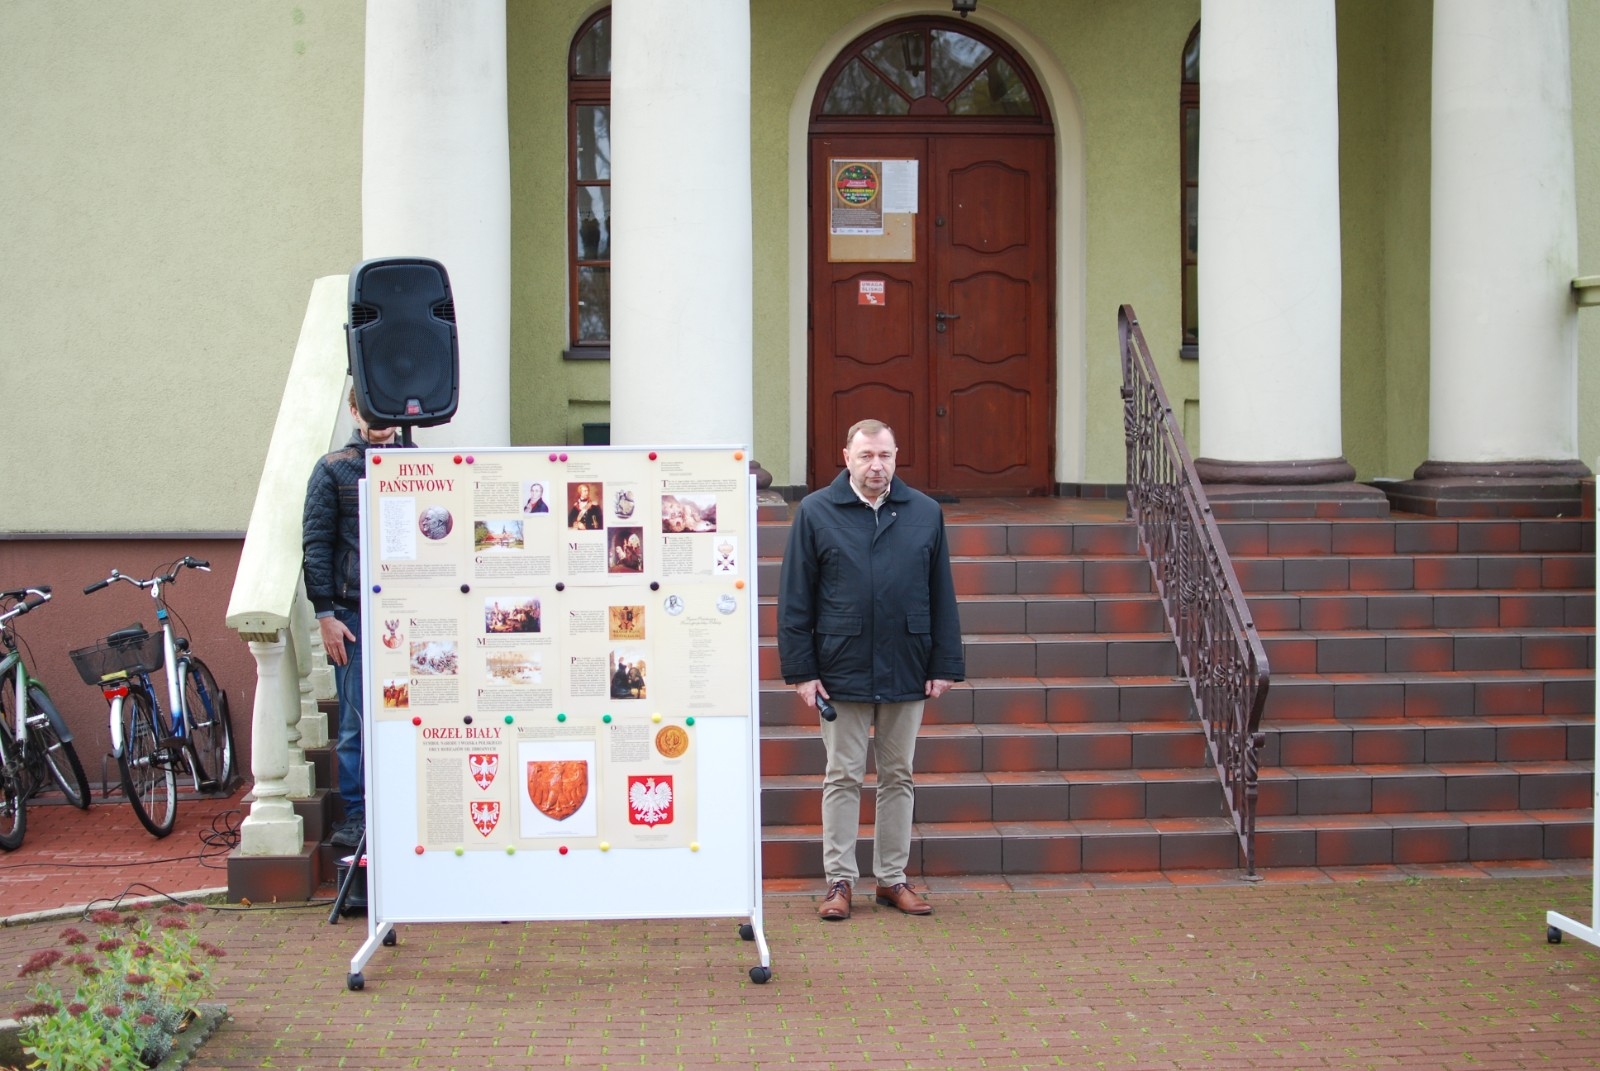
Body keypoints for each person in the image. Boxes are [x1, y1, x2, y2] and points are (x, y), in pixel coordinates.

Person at [778, 418, 964, 921]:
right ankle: (839, 881)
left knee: (898, 775)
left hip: (908, 662)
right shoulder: (816, 511)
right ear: (847, 458)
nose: (876, 465)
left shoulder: (925, 512)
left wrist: (945, 662)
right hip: (841, 666)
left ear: (896, 456)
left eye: (884, 455)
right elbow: (795, 598)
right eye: (866, 456)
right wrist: (802, 671)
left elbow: (941, 594)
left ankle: (891, 879)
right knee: (842, 775)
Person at [302, 388, 404, 850]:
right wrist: (325, 614)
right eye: (368, 407)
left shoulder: (423, 464)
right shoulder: (332, 468)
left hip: (411, 613)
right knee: (355, 723)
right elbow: (316, 543)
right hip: (354, 614)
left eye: (385, 408)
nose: (378, 418)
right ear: (353, 410)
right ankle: (358, 817)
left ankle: (401, 810)